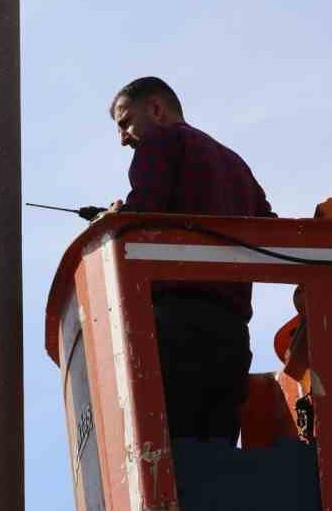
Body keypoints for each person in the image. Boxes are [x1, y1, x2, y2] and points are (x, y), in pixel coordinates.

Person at [107, 76, 274, 442]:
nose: (122, 139)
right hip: (232, 334)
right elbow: (270, 231)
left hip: (174, 326)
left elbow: (144, 213)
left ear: (155, 109)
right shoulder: (235, 164)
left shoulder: (158, 143)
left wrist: (116, 220)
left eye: (125, 122)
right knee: (217, 452)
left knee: (169, 452)